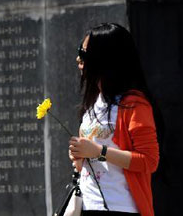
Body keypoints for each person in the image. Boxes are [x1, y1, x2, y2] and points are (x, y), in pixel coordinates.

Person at [68, 23, 159, 216]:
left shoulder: (134, 105)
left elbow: (149, 161)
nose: (78, 59)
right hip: (87, 204)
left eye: (83, 53)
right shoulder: (93, 103)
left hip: (120, 206)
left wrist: (98, 151)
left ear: (103, 59)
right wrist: (79, 157)